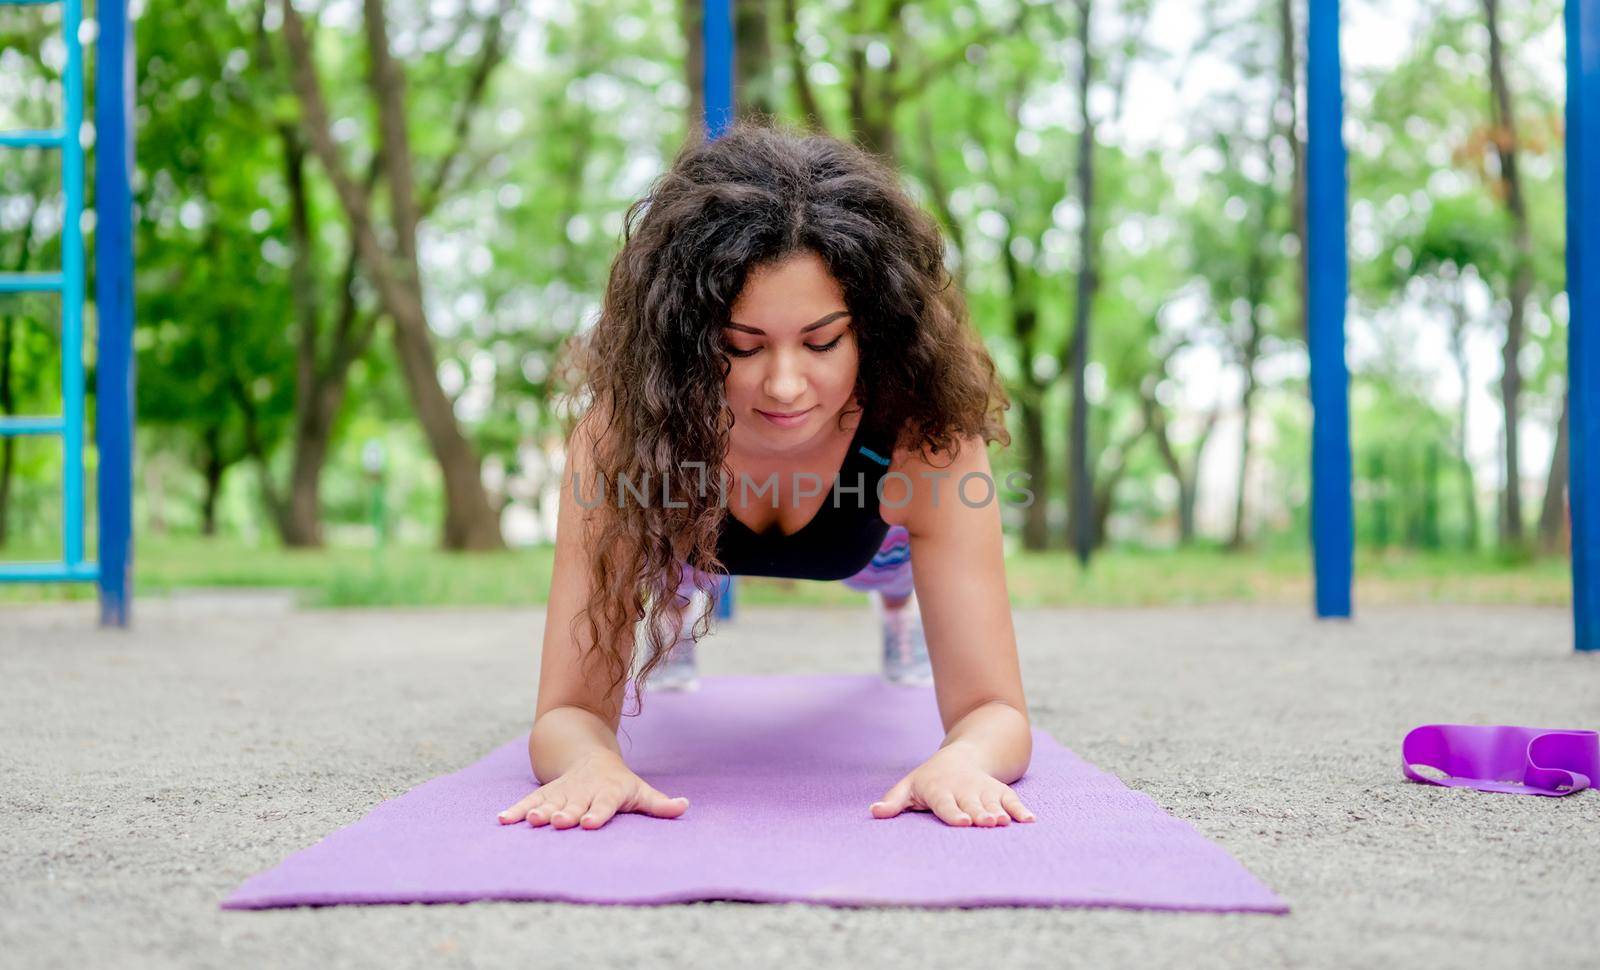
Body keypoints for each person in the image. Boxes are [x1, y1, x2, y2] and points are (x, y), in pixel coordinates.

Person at [497, 120, 1035, 833]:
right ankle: (676, 607)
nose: (784, 386)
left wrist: (968, 757)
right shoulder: (626, 434)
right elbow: (565, 714)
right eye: (741, 347)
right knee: (667, 547)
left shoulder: (923, 439)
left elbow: (994, 711)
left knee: (894, 572)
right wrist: (588, 758)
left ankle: (899, 613)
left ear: (871, 328)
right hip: (688, 534)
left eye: (822, 341)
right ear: (689, 339)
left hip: (872, 547)